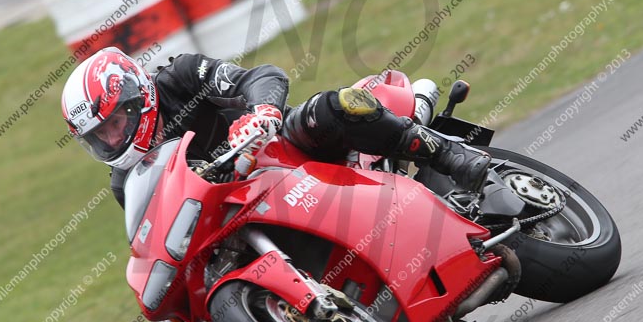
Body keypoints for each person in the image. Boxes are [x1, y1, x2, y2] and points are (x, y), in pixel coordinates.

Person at [60, 47, 491, 207]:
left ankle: (448, 153)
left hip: (285, 150)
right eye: (100, 136)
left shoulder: (183, 77)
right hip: (245, 206)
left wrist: (261, 112)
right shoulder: (126, 183)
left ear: (137, 96)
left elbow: (260, 76)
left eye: (115, 122)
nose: (113, 139)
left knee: (332, 106)